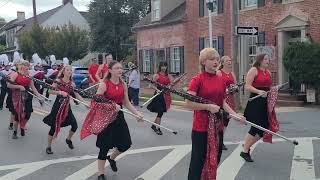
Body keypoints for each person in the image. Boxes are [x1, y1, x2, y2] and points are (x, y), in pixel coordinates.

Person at [185, 48, 245, 180]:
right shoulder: (197, 79)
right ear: (203, 62)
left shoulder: (221, 79)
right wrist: (207, 106)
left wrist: (235, 115)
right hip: (201, 128)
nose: (216, 61)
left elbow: (222, 102)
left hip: (218, 127)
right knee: (198, 162)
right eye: (212, 59)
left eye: (217, 59)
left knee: (215, 159)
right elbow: (188, 104)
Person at [82, 61, 143, 180]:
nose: (120, 70)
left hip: (119, 117)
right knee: (104, 147)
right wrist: (111, 105)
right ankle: (100, 173)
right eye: (116, 68)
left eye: (120, 68)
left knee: (126, 144)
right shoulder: (104, 84)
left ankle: (112, 158)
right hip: (106, 118)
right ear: (110, 70)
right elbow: (96, 101)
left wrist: (137, 113)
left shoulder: (123, 84)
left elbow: (126, 102)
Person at [43, 65, 85, 154]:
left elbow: (77, 95)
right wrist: (59, 92)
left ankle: (68, 139)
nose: (69, 71)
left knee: (74, 125)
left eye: (70, 70)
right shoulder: (58, 81)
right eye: (68, 70)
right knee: (53, 128)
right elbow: (49, 91)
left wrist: (85, 103)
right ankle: (49, 146)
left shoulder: (72, 84)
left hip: (66, 107)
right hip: (57, 106)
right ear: (63, 71)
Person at [240, 54, 273, 162]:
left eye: (268, 59)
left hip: (265, 102)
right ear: (260, 60)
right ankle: (245, 151)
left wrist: (273, 90)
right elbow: (247, 86)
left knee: (264, 128)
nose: (268, 61)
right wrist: (259, 91)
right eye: (265, 59)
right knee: (255, 127)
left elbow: (269, 87)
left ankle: (246, 146)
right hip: (255, 101)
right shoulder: (254, 70)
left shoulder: (268, 72)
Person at [7, 60, 43, 139]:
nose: (27, 67)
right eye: (26, 66)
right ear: (21, 66)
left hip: (27, 95)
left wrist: (38, 95)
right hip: (17, 96)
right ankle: (15, 132)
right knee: (18, 114)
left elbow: (33, 88)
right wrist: (19, 87)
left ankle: (22, 125)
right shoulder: (16, 74)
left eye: (28, 66)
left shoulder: (29, 76)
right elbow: (9, 85)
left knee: (28, 114)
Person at [217, 56, 237, 150]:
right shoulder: (219, 73)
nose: (229, 62)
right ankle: (218, 141)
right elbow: (216, 86)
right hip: (221, 99)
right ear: (222, 63)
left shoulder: (232, 73)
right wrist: (225, 90)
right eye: (227, 61)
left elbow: (236, 86)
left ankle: (220, 140)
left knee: (226, 121)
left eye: (230, 60)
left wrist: (235, 88)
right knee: (221, 120)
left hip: (230, 99)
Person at [147, 62, 173, 135]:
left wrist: (170, 86)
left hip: (166, 96)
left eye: (165, 66)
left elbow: (170, 84)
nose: (164, 68)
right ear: (160, 67)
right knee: (160, 112)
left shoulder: (168, 76)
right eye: (162, 66)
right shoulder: (156, 75)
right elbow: (150, 85)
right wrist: (157, 90)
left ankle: (153, 125)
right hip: (158, 95)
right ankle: (157, 128)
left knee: (161, 112)